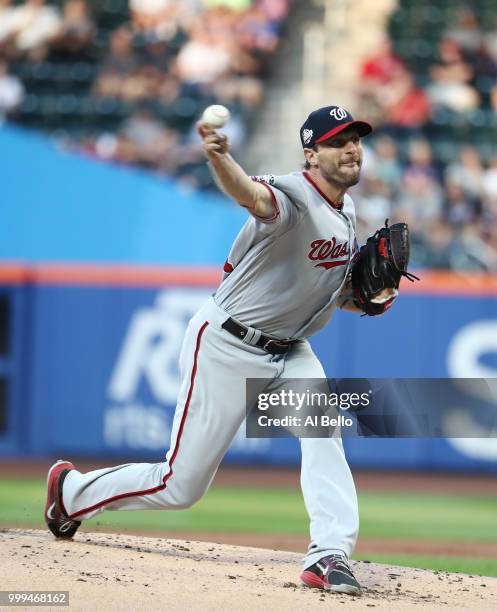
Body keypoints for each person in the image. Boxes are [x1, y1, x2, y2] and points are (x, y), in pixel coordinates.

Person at [45, 105, 390, 596]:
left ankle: (329, 553)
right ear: (311, 155)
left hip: (291, 351)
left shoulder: (347, 210)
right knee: (180, 486)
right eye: (338, 141)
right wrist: (220, 158)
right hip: (228, 345)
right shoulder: (292, 194)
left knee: (323, 433)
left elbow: (326, 292)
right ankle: (72, 492)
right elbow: (251, 195)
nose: (352, 147)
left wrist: (366, 299)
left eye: (355, 138)